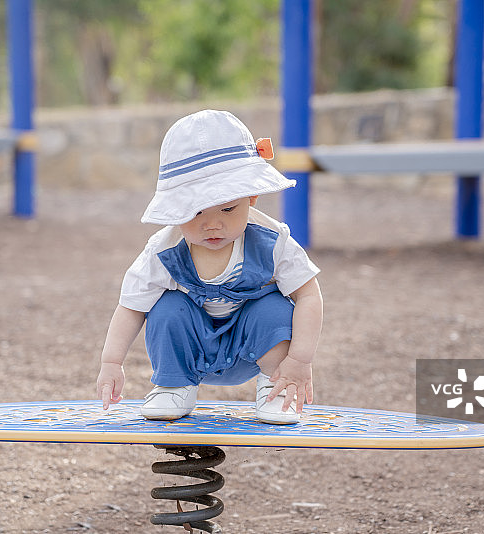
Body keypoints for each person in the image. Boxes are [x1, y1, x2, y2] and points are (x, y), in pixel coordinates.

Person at [96, 109, 322, 424]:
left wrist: (300, 359)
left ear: (251, 197)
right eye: (195, 211)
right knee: (166, 307)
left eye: (228, 208)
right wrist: (111, 361)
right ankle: (173, 387)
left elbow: (310, 295)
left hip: (253, 350)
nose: (212, 224)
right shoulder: (164, 251)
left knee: (275, 307)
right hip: (192, 350)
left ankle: (276, 388)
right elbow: (131, 306)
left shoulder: (273, 243)